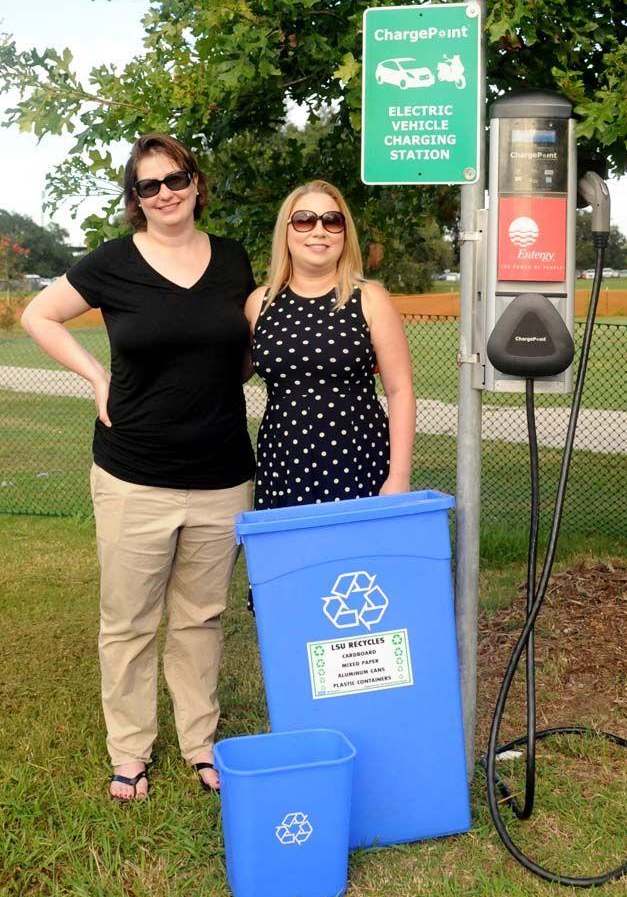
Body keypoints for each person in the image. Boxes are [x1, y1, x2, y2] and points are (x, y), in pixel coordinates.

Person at [21, 134, 256, 800]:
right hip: (133, 475)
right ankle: (129, 753)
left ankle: (200, 743)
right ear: (135, 198)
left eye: (175, 178)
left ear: (195, 181)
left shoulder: (233, 259)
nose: (165, 193)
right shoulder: (113, 263)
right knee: (128, 621)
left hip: (222, 474)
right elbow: (38, 313)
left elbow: (243, 351)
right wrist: (96, 376)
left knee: (201, 617)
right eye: (148, 185)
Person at [244, 180, 415, 511]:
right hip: (282, 464)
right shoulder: (258, 303)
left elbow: (400, 390)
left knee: (357, 563)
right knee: (292, 560)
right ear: (287, 231)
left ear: (344, 233)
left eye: (331, 221)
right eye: (305, 220)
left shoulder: (370, 300)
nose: (319, 230)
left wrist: (399, 476)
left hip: (358, 460)